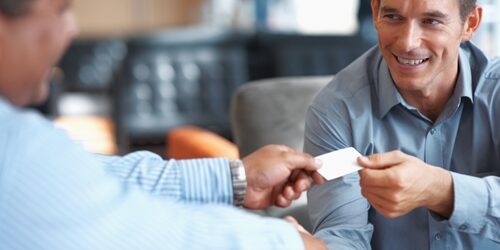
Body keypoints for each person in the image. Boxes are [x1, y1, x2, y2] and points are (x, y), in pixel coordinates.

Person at [0, 0, 327, 249]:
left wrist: (234, 179)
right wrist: (285, 241)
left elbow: (80, 175)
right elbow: (144, 233)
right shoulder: (16, 149)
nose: (70, 28)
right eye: (61, 9)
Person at [304, 0, 500, 249]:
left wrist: (440, 190)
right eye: (394, 17)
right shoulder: (336, 109)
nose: (408, 43)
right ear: (375, 13)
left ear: (470, 23)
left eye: (431, 21)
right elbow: (343, 235)